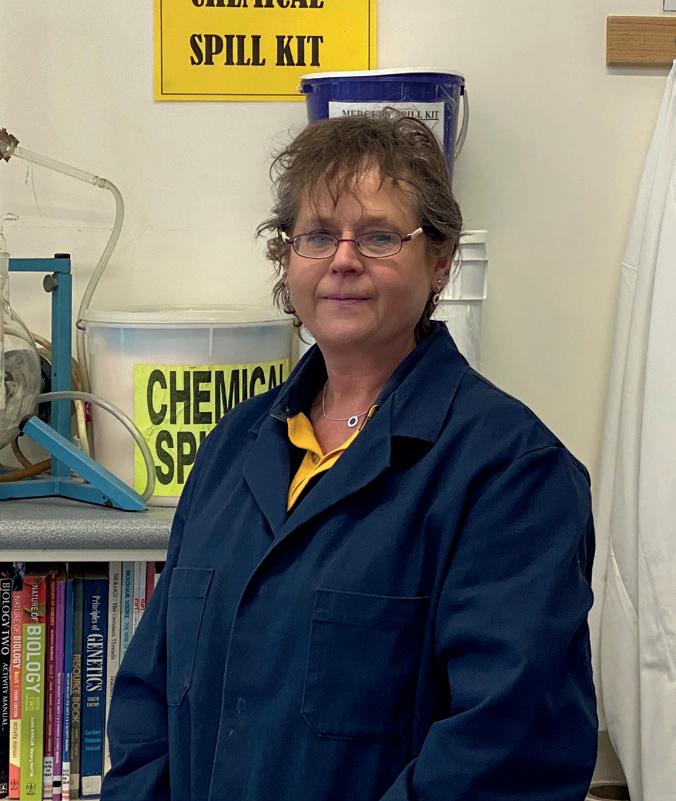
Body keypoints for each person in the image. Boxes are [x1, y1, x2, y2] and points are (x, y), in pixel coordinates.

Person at [101, 114, 597, 801]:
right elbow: (147, 704)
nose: (342, 259)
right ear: (287, 258)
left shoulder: (513, 474)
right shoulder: (231, 449)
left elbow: (508, 755)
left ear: (441, 259)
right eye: (316, 235)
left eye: (379, 236)